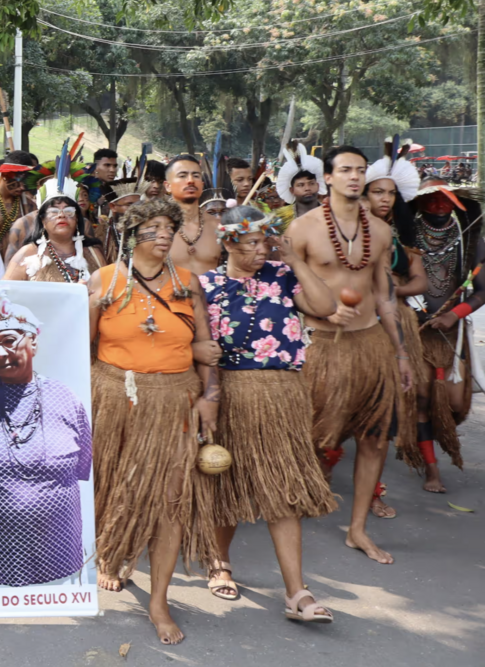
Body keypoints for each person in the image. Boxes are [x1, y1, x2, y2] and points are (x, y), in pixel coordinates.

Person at [85, 197, 218, 645]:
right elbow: (75, 345)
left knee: (171, 499)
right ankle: (113, 555)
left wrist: (209, 395)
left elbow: (206, 346)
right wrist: (91, 307)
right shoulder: (104, 279)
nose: (164, 235)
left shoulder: (188, 283)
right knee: (116, 485)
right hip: (114, 395)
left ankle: (159, 600)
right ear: (132, 232)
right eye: (154, 226)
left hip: (173, 399)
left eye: (169, 227)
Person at [198, 205, 338, 622]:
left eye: (266, 241)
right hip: (230, 392)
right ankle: (219, 562)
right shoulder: (205, 285)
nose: (262, 250)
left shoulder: (281, 275)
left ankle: (297, 591)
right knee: (227, 484)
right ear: (228, 242)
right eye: (252, 243)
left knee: (283, 490)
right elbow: (196, 345)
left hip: (282, 394)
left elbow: (326, 304)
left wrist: (292, 258)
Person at [286, 146, 412, 565]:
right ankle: (290, 509)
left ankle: (358, 529)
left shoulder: (379, 231)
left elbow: (385, 295)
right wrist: (316, 307)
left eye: (360, 170)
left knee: (375, 439)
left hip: (371, 343)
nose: (355, 177)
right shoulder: (302, 229)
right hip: (322, 345)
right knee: (312, 435)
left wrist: (400, 353)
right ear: (328, 178)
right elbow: (288, 291)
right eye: (345, 170)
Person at [0, 293, 91, 586]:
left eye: (9, 341)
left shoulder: (66, 398)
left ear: (33, 341)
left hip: (61, 561)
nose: (0, 353)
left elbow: (83, 465)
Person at [364, 152, 428, 509]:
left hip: (393, 325)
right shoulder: (348, 233)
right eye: (377, 192)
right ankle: (321, 475)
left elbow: (420, 281)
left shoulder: (402, 239)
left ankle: (374, 493)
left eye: (390, 193)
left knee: (384, 414)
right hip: (353, 326)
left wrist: (387, 291)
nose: (385, 198)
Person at [410, 177, 483, 493]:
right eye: (432, 199)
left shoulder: (470, 238)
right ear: (419, 203)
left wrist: (455, 314)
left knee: (453, 403)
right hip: (416, 333)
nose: (439, 205)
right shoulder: (406, 237)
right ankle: (431, 470)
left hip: (452, 335)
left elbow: (481, 291)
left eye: (446, 199)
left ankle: (431, 444)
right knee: (423, 401)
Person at [6, 180, 106, 283]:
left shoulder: (94, 253)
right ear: (43, 221)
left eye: (69, 211)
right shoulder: (27, 253)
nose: (61, 215)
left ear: (77, 219)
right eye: (54, 212)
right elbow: (3, 293)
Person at [0, 152, 39, 260]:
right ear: (5, 175)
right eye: (19, 181)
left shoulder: (29, 206)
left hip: (16, 266)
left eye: (26, 182)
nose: (23, 187)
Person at [166, 155, 222, 275]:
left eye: (196, 175)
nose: (190, 180)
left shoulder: (218, 226)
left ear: (202, 184)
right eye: (182, 176)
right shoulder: (155, 227)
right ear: (168, 186)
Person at [276, 146, 325, 218]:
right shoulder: (280, 218)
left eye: (311, 183)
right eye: (301, 185)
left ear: (318, 186)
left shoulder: (332, 214)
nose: (307, 188)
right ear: (292, 190)